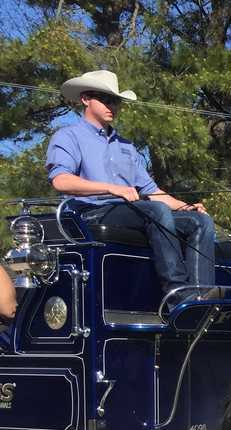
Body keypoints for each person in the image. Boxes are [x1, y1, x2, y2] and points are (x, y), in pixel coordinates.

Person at [45, 70, 218, 307]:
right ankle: (178, 296)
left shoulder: (126, 146)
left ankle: (201, 299)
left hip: (133, 212)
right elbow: (61, 181)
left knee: (200, 222)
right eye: (105, 99)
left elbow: (152, 190)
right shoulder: (68, 136)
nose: (112, 106)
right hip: (91, 213)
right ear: (86, 99)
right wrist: (112, 189)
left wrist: (186, 206)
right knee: (156, 211)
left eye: (115, 101)